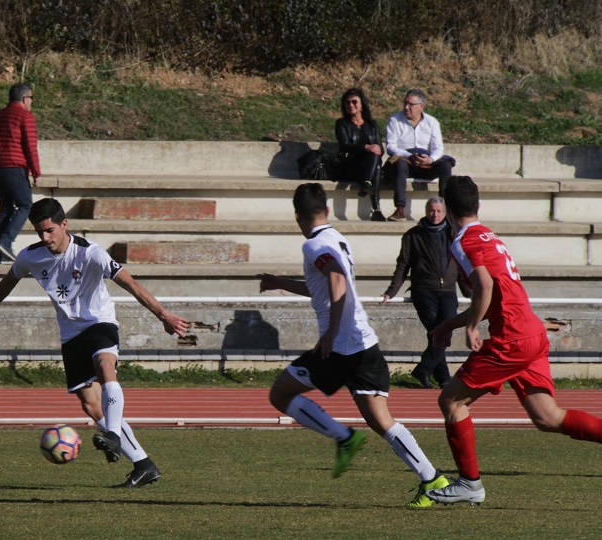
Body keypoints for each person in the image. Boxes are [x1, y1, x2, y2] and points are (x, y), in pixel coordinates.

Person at [0, 198, 190, 488]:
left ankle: (113, 435)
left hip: (100, 322)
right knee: (91, 405)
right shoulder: (30, 256)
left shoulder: (91, 253)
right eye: (39, 232)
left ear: (64, 224)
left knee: (105, 367)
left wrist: (163, 315)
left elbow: (132, 284)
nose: (45, 237)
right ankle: (143, 465)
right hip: (71, 334)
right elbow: (8, 280)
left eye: (50, 230)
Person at [258, 182, 448, 508]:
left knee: (280, 394)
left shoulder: (314, 246)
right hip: (364, 343)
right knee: (381, 420)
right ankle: (433, 479)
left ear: (297, 216)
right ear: (328, 210)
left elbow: (335, 279)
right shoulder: (337, 238)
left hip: (341, 347)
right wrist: (280, 283)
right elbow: (324, 286)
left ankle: (344, 438)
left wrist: (331, 332)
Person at [426, 176, 602, 505]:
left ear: (448, 210)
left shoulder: (463, 241)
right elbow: (493, 293)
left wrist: (471, 327)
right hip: (532, 332)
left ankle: (470, 484)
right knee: (548, 417)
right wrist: (449, 324)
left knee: (451, 402)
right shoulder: (490, 236)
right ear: (477, 205)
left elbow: (484, 286)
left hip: (512, 338)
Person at [381, 196, 466, 388]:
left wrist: (470, 290)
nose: (434, 215)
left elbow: (461, 264)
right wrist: (391, 291)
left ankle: (424, 369)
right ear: (426, 211)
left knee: (445, 331)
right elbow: (403, 265)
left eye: (438, 211)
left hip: (448, 291)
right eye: (431, 210)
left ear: (445, 213)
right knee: (437, 333)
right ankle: (443, 378)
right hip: (424, 291)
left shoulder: (455, 234)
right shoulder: (413, 235)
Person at [0, 83, 41, 263]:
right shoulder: (26, 116)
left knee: (6, 209)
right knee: (26, 205)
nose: (31, 102)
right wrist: (36, 172)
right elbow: (30, 146)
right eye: (31, 98)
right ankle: (6, 242)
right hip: (14, 166)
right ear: (24, 99)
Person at [385, 89, 456, 222]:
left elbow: (438, 148)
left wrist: (430, 159)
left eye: (411, 104)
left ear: (421, 106)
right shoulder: (395, 120)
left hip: (426, 162)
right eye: (405, 103)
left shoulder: (432, 122)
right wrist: (409, 155)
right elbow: (390, 146)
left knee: (446, 165)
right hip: (406, 161)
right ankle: (400, 209)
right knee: (400, 164)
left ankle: (445, 208)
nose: (406, 107)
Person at [335, 88, 385, 221]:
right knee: (375, 161)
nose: (351, 105)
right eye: (347, 103)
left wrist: (376, 149)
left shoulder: (372, 125)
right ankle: (376, 208)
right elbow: (344, 145)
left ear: (362, 105)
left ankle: (368, 185)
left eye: (354, 102)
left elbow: (381, 149)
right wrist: (366, 147)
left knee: (376, 158)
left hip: (369, 166)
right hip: (350, 165)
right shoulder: (342, 124)